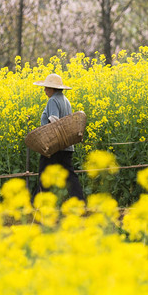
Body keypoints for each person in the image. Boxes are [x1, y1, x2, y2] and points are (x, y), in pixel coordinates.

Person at [33, 73, 85, 201]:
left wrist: (49, 144)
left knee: (44, 176)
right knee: (70, 176)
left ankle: (36, 205)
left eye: (46, 88)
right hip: (66, 146)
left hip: (53, 146)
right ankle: (80, 201)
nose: (45, 90)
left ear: (53, 89)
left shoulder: (53, 100)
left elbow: (54, 122)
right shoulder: (65, 100)